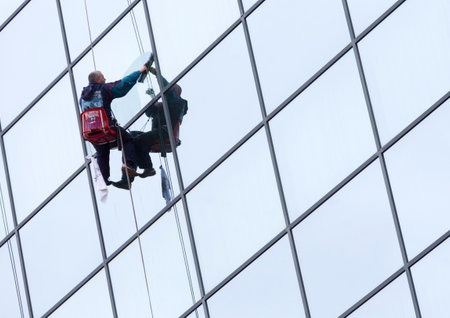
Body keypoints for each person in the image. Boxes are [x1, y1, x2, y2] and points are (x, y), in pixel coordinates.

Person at [112, 67, 188, 190]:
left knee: (139, 141)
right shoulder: (165, 107)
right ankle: (126, 179)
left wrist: (157, 75)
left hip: (165, 134)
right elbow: (149, 112)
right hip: (157, 133)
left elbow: (168, 92)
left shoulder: (178, 103)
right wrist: (153, 101)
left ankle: (148, 167)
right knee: (131, 138)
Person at [80, 64, 148, 186]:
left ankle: (104, 178)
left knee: (102, 152)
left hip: (91, 134)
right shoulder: (104, 89)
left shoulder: (82, 98)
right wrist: (139, 72)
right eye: (102, 77)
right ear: (97, 80)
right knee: (127, 139)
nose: (105, 79)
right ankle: (128, 164)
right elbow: (122, 85)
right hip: (107, 129)